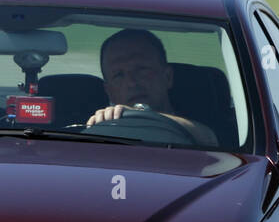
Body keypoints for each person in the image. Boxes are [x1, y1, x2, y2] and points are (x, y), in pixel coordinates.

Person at [86, 28, 218, 144]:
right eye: (118, 75)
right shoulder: (97, 129)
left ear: (167, 77)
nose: (132, 83)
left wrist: (143, 115)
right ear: (109, 92)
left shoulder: (201, 130)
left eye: (141, 69)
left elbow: (210, 140)